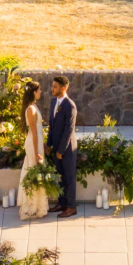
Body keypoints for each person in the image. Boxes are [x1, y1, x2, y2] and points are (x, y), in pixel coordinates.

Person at [47, 75, 78, 218]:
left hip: (67, 149)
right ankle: (62, 203)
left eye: (55, 86)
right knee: (60, 177)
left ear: (63, 88)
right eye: (52, 86)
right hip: (56, 147)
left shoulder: (70, 105)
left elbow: (68, 130)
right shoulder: (54, 102)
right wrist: (49, 144)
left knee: (69, 178)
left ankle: (71, 207)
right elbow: (51, 125)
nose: (52, 89)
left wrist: (61, 150)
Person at [18, 78, 49, 220]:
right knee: (33, 170)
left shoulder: (34, 107)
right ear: (34, 92)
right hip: (33, 144)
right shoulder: (31, 109)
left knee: (37, 172)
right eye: (39, 90)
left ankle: (37, 206)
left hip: (37, 143)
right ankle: (30, 206)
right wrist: (37, 152)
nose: (41, 92)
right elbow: (34, 132)